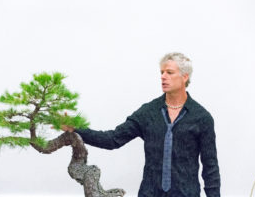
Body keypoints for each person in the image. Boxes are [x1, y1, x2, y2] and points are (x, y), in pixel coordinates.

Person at [62, 52, 221, 197]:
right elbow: (112, 139)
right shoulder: (148, 113)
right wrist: (77, 128)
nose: (163, 77)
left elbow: (210, 168)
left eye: (169, 73)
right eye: (161, 72)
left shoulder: (202, 118)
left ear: (185, 77)